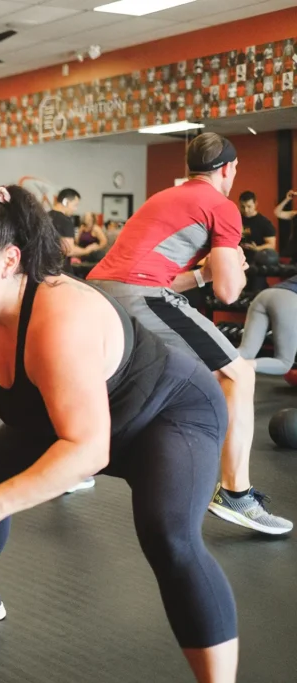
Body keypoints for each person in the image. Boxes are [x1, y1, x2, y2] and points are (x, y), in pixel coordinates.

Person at [0, 185, 238, 683]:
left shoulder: (60, 318)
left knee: (169, 538)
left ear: (10, 260)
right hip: (84, 422)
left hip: (168, 414)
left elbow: (89, 449)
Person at [88, 132, 291, 535]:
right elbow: (228, 292)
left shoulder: (163, 198)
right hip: (138, 294)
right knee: (238, 373)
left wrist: (204, 271)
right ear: (229, 169)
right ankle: (236, 493)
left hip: (96, 292)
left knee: (133, 375)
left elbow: (152, 276)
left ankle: (78, 459)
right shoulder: (221, 205)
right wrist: (230, 262)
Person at [237, 273, 297, 374]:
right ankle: (241, 366)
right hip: (288, 299)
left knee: (246, 352)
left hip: (265, 295)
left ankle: (210, 363)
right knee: (284, 363)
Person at [48, 188, 98, 269]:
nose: (75, 209)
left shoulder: (44, 217)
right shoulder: (65, 221)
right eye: (75, 205)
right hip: (61, 270)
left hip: (45, 268)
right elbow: (69, 250)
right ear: (66, 202)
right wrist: (88, 250)